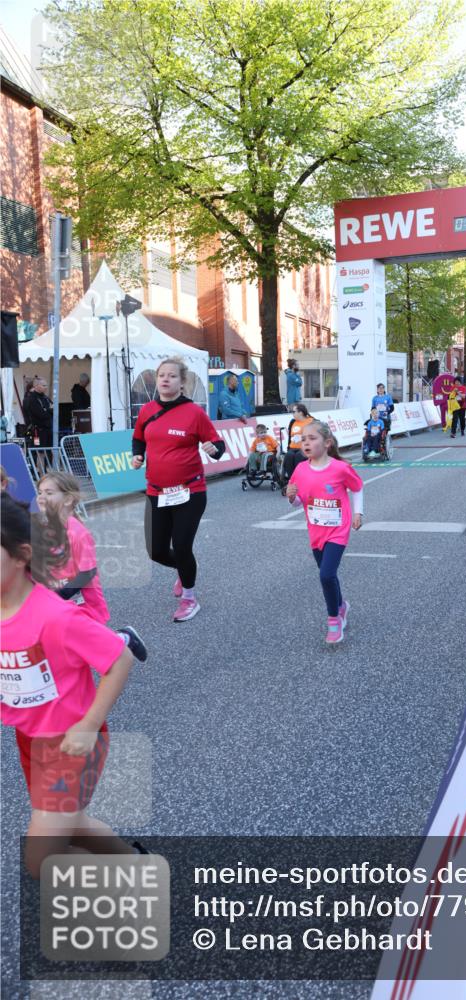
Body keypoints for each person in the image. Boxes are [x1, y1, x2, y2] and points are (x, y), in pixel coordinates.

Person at [0, 494, 137, 878]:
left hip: (71, 742)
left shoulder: (56, 617)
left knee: (40, 861)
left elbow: (119, 659)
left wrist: (89, 724)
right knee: (73, 823)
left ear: (22, 555)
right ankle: (132, 864)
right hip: (30, 737)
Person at [131, 357, 225, 623]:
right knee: (156, 550)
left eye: (172, 376)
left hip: (189, 491)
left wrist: (214, 449)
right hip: (156, 491)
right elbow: (138, 439)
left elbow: (217, 443)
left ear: (182, 383)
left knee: (182, 545)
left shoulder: (194, 413)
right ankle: (184, 570)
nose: (165, 379)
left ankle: (189, 598)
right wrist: (137, 456)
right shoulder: (147, 410)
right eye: (162, 375)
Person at [34, 472, 147, 661]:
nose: (41, 498)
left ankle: (126, 638)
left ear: (68, 499)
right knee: (73, 645)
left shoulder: (78, 532)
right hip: (60, 601)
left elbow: (87, 573)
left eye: (49, 493)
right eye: (39, 492)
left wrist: (59, 595)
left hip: (83, 602)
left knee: (85, 646)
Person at [285, 421, 363, 644]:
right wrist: (291, 496)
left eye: (312, 438)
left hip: (338, 529)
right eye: (303, 439)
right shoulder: (300, 469)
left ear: (327, 443)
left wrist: (359, 513)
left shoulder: (340, 468)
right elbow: (298, 502)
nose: (306, 442)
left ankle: (333, 620)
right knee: (328, 574)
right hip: (316, 530)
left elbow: (357, 488)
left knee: (326, 574)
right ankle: (341, 606)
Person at [282, 403, 314, 480]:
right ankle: (291, 479)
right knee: (289, 456)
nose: (292, 413)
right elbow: (290, 437)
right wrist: (288, 447)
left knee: (299, 456)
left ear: (301, 413)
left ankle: (300, 478)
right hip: (293, 447)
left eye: (294, 411)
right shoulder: (293, 422)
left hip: (305, 447)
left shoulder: (311, 421)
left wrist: (303, 437)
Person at [24, 377, 53, 448]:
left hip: (48, 429)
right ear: (36, 386)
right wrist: (49, 410)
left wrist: (48, 410)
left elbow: (53, 409)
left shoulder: (45, 398)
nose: (46, 387)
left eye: (46, 385)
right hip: (37, 431)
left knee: (51, 449)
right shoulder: (32, 399)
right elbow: (41, 414)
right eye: (44, 385)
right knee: (39, 450)